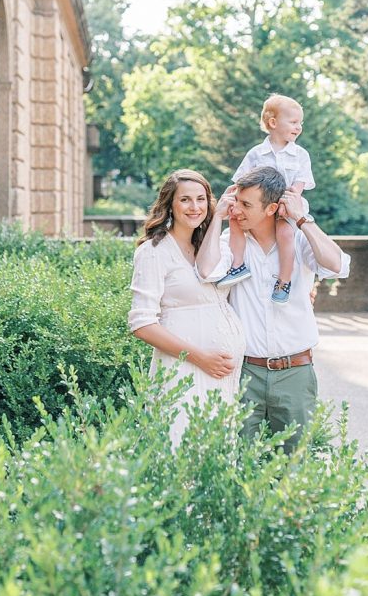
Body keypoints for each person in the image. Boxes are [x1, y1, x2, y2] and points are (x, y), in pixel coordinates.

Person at [196, 165, 350, 453]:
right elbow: (205, 271)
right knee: (239, 464)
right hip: (244, 373)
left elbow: (338, 266)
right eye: (236, 201)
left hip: (295, 373)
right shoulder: (230, 244)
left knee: (294, 469)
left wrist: (303, 219)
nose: (236, 210)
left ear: (271, 209)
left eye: (245, 204)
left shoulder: (300, 241)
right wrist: (218, 219)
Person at [128, 169, 246, 448]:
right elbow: (142, 324)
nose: (195, 207)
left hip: (222, 375)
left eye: (201, 199)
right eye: (185, 200)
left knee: (215, 455)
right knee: (179, 448)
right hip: (183, 368)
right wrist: (201, 358)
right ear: (169, 204)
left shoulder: (210, 246)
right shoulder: (154, 251)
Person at [216, 93, 314, 303]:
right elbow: (242, 180)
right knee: (234, 220)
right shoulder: (257, 154)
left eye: (300, 123)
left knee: (286, 234)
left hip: (287, 204)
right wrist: (231, 200)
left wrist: (287, 201)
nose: (299, 127)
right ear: (273, 123)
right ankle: (237, 265)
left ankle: (284, 280)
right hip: (258, 205)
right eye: (294, 122)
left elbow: (300, 183)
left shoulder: (300, 155)